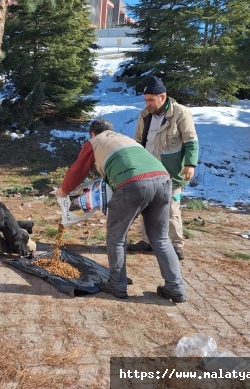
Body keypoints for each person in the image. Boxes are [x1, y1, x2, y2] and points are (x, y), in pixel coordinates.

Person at [56, 119, 186, 302]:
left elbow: (77, 171)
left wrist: (63, 192)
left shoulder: (94, 142)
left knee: (116, 237)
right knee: (161, 237)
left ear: (93, 134)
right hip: (163, 181)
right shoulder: (124, 139)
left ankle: (117, 284)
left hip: (134, 184)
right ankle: (176, 287)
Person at [128, 76, 199, 260]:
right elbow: (137, 142)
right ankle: (147, 241)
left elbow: (191, 141)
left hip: (171, 171)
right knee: (147, 206)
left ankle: (176, 245)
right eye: (146, 100)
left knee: (171, 208)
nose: (148, 104)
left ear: (163, 96)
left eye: (151, 100)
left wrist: (190, 164)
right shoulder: (144, 115)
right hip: (146, 170)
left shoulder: (181, 113)